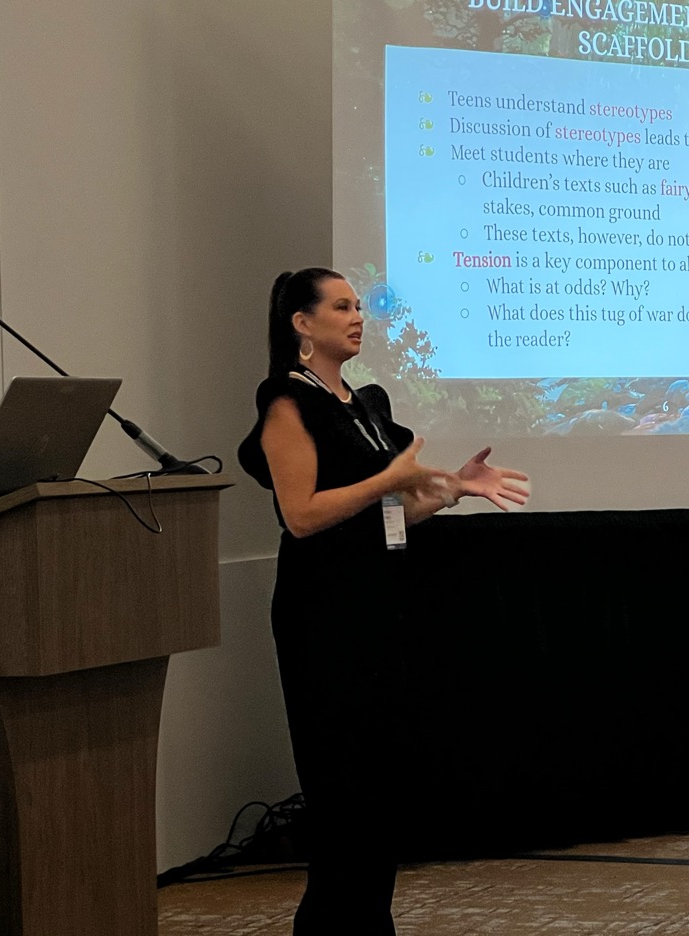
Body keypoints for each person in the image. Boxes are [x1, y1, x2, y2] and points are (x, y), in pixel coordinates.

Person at [238, 267, 528, 934]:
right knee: (342, 791)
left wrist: (453, 489)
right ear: (302, 323)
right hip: (322, 615)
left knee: (379, 791)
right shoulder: (287, 402)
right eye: (341, 307)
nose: (357, 317)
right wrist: (387, 481)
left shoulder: (365, 403)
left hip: (379, 608)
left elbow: (390, 516)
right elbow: (302, 516)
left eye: (359, 306)